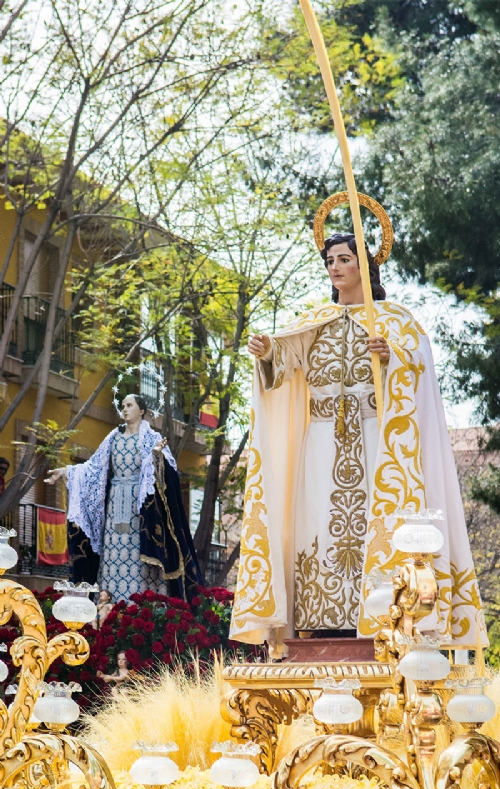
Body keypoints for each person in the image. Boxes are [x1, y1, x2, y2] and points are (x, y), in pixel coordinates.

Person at [229, 232, 487, 657]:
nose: (334, 266)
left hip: (378, 446)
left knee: (376, 526)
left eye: (345, 258)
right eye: (329, 259)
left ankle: (384, 618)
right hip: (320, 446)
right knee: (317, 526)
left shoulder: (398, 321)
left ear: (364, 266)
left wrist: (392, 358)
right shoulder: (312, 321)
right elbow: (284, 365)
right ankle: (319, 628)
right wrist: (266, 351)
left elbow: (419, 375)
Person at [46, 394, 203, 602]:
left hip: (139, 507)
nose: (125, 409)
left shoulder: (152, 438)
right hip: (114, 504)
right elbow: (93, 467)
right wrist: (66, 471)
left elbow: (167, 473)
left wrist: (156, 456)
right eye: (123, 406)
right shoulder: (113, 437)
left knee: (136, 555)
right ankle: (107, 604)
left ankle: (138, 607)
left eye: (130, 405)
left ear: (142, 410)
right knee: (112, 552)